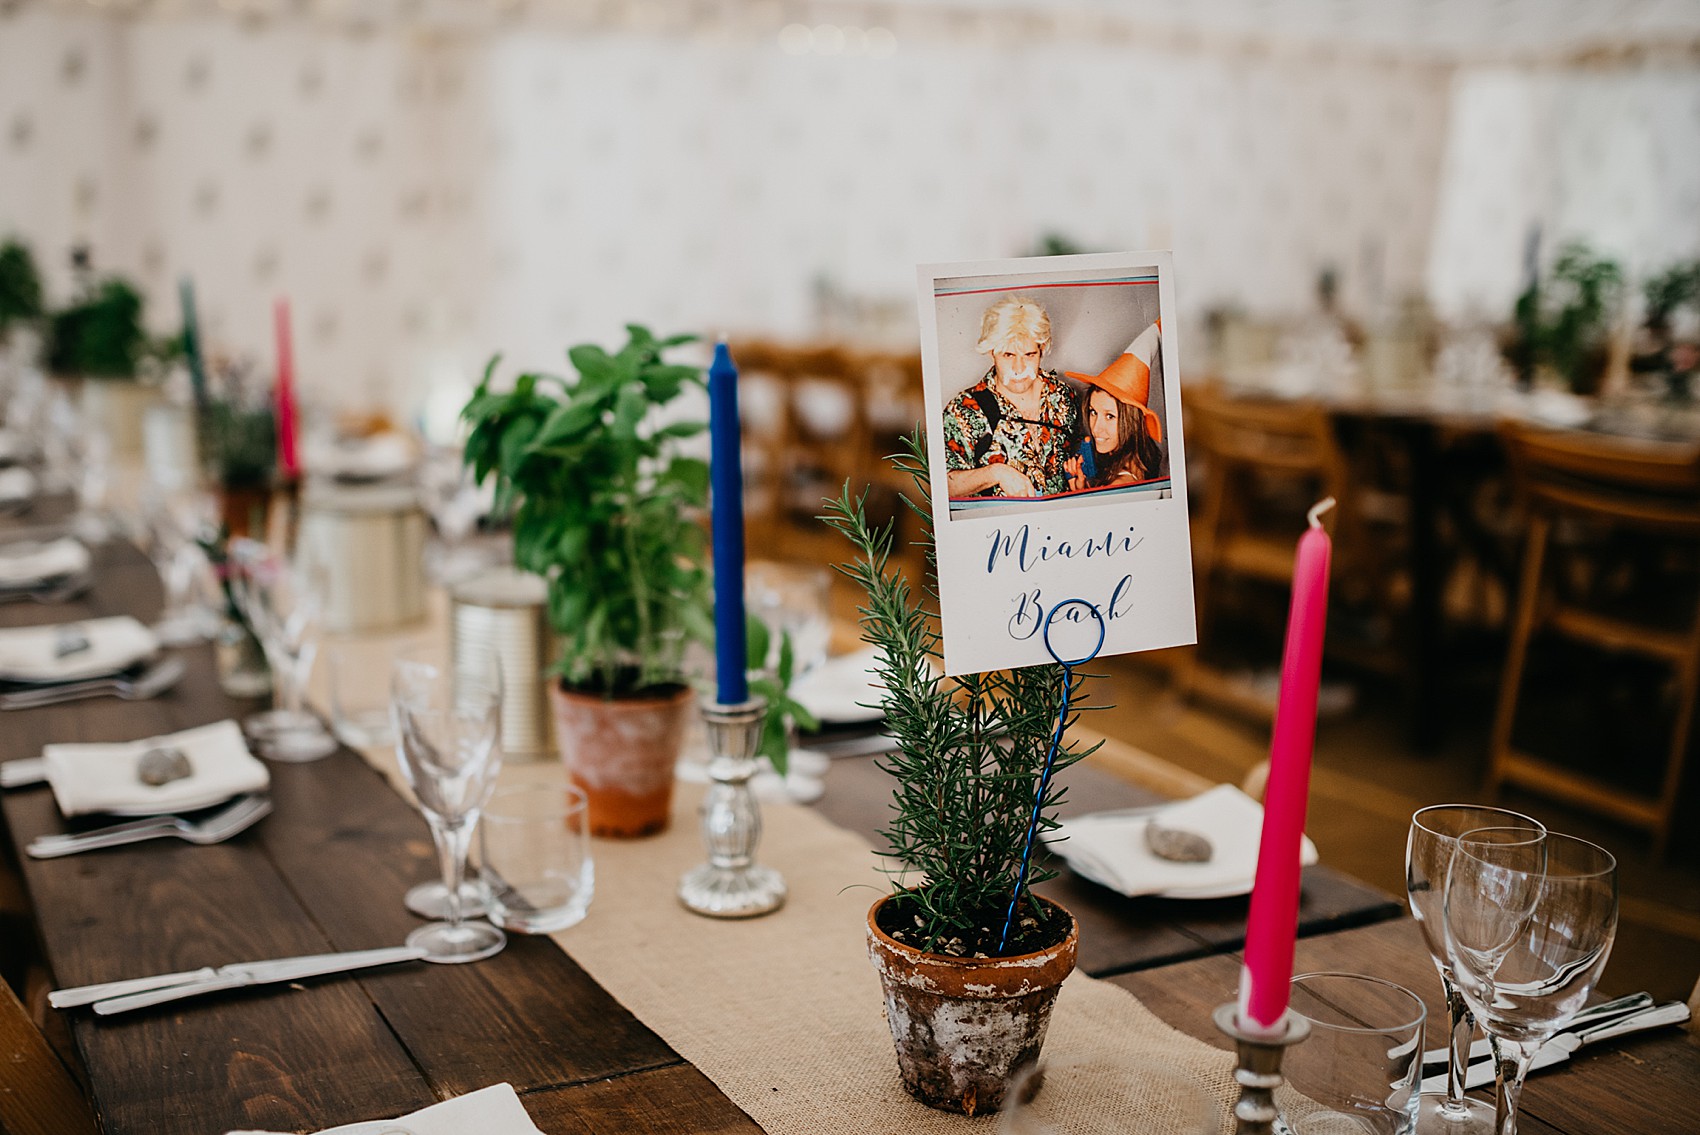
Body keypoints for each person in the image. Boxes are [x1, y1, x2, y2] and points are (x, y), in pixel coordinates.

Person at [942, 297, 1080, 498]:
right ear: (992, 353)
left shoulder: (1063, 397)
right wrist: (995, 473)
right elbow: (942, 486)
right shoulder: (963, 410)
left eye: (1029, 355)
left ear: (1042, 350)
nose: (1019, 368)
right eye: (1008, 355)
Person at [1063, 320, 1166, 490]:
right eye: (1093, 412)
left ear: (1131, 421)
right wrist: (1082, 489)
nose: (1096, 428)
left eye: (1110, 416)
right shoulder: (1133, 457)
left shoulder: (1120, 485)